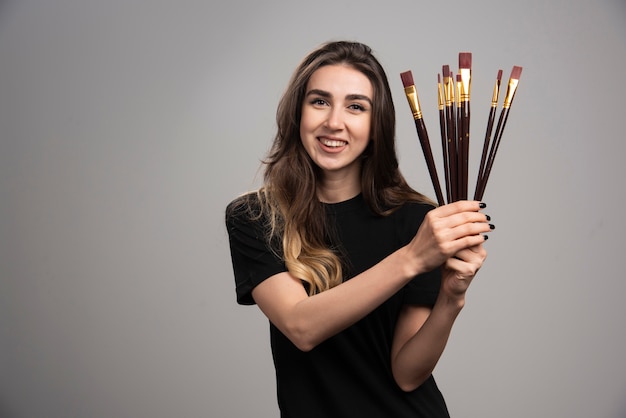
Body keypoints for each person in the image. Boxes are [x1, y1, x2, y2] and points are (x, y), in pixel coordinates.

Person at [225, 40, 492, 417]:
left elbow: (407, 375)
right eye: (319, 101)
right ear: (297, 113)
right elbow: (301, 326)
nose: (334, 122)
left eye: (355, 107)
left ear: (375, 124)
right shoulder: (256, 217)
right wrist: (413, 258)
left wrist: (452, 297)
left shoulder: (417, 219)